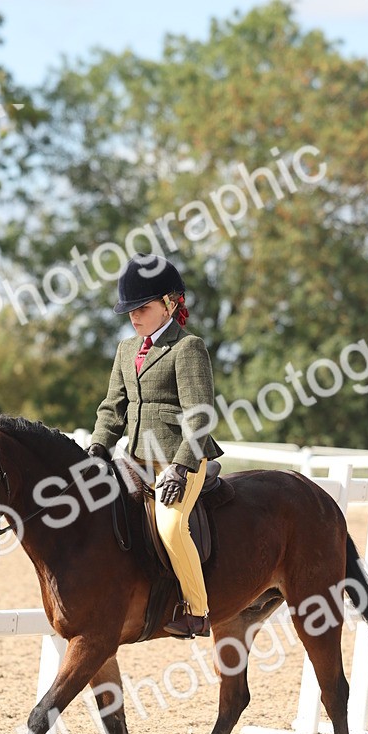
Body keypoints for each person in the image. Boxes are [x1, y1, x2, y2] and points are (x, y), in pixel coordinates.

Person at [88, 254, 223, 638]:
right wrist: (98, 446)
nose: (134, 317)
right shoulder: (126, 350)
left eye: (142, 309)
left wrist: (180, 467)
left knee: (171, 525)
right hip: (134, 459)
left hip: (181, 460)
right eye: (129, 311)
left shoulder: (188, 348)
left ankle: (197, 611)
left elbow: (200, 415)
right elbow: (112, 408)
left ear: (169, 303)